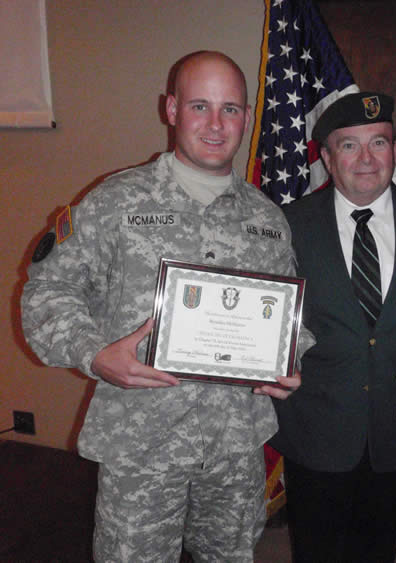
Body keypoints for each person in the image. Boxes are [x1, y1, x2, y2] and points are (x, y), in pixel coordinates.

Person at [21, 51, 311, 562]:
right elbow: (45, 294)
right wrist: (95, 354)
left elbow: (288, 312)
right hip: (141, 445)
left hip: (233, 447)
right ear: (172, 109)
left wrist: (290, 359)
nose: (217, 124)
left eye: (231, 108)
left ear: (247, 115)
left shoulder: (268, 219)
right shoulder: (116, 202)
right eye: (201, 106)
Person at [270, 92, 396, 562]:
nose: (367, 158)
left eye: (379, 142)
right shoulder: (286, 226)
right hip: (315, 428)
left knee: (380, 549)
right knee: (315, 551)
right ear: (328, 158)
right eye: (349, 145)